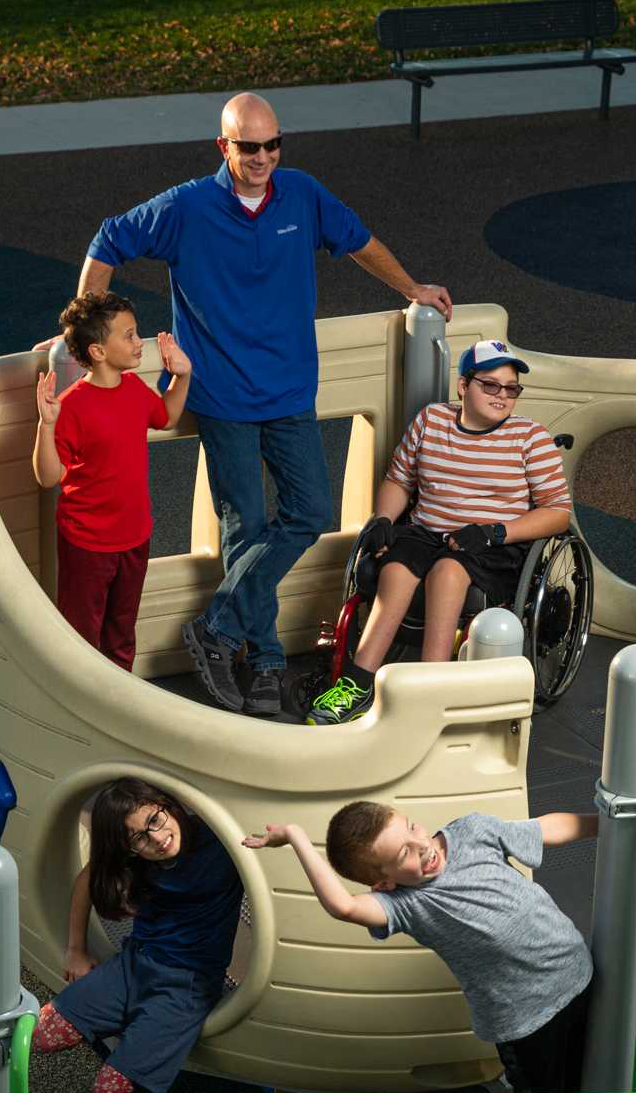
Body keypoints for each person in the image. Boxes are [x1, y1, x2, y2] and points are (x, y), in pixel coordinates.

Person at [72, 92, 452, 719]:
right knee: (246, 526)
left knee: (307, 513)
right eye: (249, 147)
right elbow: (108, 240)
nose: (263, 158)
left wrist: (412, 287)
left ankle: (216, 626)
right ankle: (268, 661)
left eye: (273, 145)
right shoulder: (187, 206)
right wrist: (86, 340)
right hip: (222, 396)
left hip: (289, 390)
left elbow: (359, 240)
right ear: (224, 147)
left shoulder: (301, 194)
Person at [247, 802, 597, 1093]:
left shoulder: (473, 831)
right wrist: (294, 835)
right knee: (541, 1091)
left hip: (576, 974)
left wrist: (603, 822)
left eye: (412, 828)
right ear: (384, 884)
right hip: (521, 1018)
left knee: (586, 1066)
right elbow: (343, 907)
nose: (422, 845)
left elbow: (543, 829)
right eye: (404, 854)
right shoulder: (407, 905)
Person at [306, 340, 572, 726]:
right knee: (395, 569)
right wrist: (382, 518)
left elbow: (558, 513)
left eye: (510, 388)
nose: (502, 395)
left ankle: (432, 687)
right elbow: (399, 480)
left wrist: (495, 531)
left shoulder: (530, 438)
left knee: (448, 572)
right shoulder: (431, 421)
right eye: (490, 385)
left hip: (492, 543)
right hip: (428, 531)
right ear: (463, 386)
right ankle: (357, 682)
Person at [35, 777, 243, 1093]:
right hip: (134, 965)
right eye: (138, 837)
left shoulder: (217, 843)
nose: (155, 837)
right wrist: (75, 948)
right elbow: (88, 877)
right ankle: (117, 1031)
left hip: (185, 986)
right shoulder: (135, 859)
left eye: (155, 820)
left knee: (110, 1090)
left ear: (167, 806)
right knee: (32, 1038)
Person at [34, 292, 192, 671]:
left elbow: (166, 416)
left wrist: (182, 376)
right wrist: (47, 424)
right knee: (81, 636)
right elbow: (47, 476)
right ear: (99, 352)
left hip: (135, 537)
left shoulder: (135, 389)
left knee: (122, 635)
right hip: (86, 544)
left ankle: (120, 705)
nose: (140, 343)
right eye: (130, 336)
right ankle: (80, 710)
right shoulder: (71, 406)